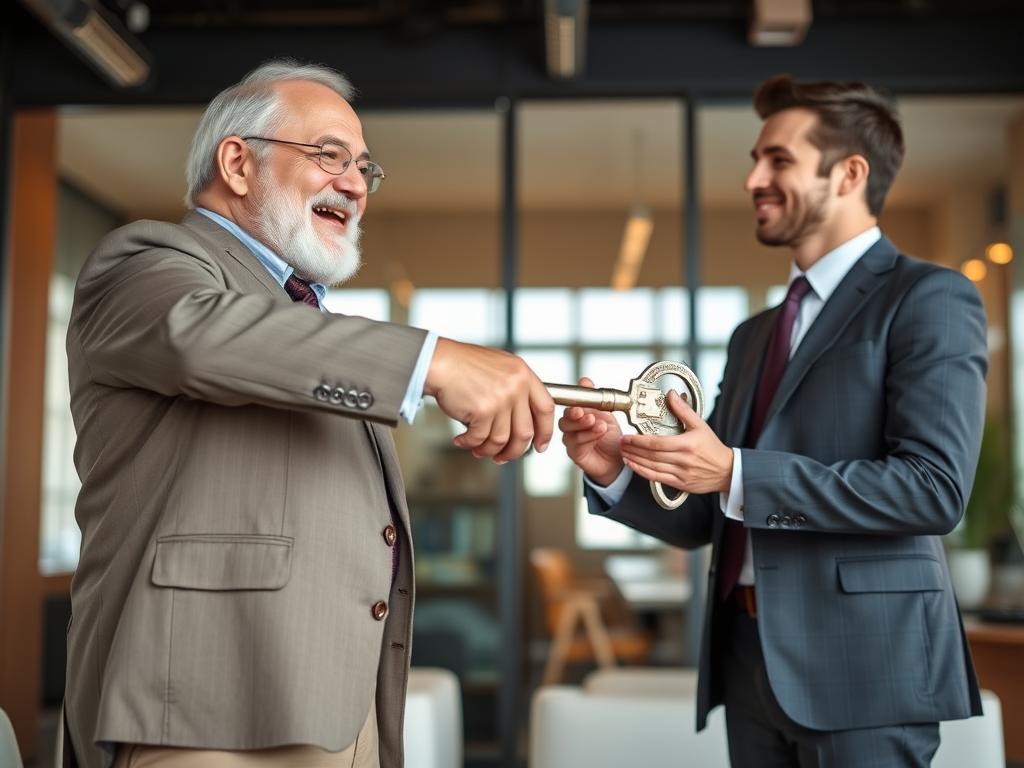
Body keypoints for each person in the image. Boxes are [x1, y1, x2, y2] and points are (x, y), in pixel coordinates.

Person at [62, 59, 554, 768]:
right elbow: (201, 335)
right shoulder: (145, 264)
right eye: (330, 155)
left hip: (339, 715)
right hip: (203, 716)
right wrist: (434, 361)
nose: (355, 184)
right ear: (238, 163)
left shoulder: (309, 324)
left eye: (364, 168)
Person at [561, 75, 987, 767]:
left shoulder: (928, 297)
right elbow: (708, 514)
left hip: (866, 669)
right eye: (756, 159)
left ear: (849, 174)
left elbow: (932, 489)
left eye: (778, 160)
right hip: (747, 660)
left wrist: (735, 470)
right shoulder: (754, 334)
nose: (753, 179)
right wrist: (615, 469)